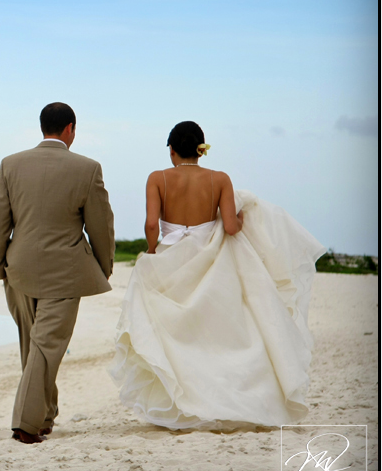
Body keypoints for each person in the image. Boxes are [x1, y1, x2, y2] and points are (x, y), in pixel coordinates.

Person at [108, 121, 326, 429]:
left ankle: (181, 404)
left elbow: (151, 224)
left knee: (175, 335)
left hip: (171, 260)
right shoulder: (220, 179)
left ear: (171, 150)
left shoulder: (157, 178)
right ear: (201, 150)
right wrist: (240, 213)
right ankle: (228, 399)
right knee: (216, 336)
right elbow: (232, 227)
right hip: (211, 261)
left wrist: (153, 251)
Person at [0, 102, 115, 444]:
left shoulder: (10, 164)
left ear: (42, 126)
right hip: (65, 271)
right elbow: (100, 225)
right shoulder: (87, 168)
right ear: (70, 128)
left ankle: (45, 416)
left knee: (34, 348)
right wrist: (105, 266)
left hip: (19, 268)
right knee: (44, 348)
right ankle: (27, 426)